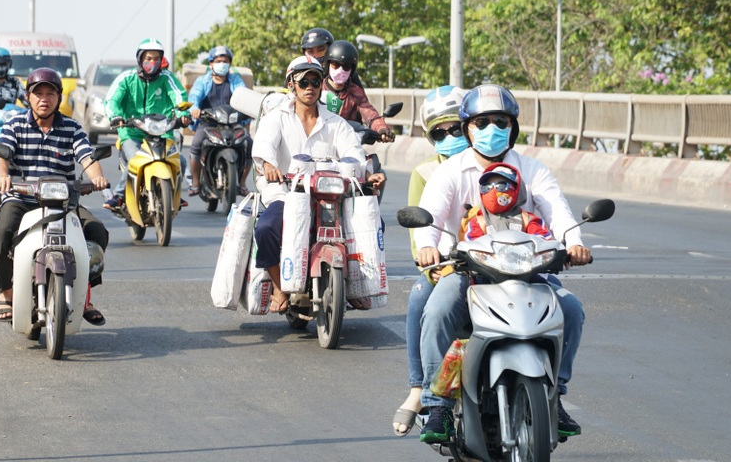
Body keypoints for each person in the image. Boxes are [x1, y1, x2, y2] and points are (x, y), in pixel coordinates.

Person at [414, 84, 591, 444]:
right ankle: (437, 406)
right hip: (467, 271)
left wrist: (574, 243)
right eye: (482, 122)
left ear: (513, 127)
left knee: (571, 310)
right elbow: (430, 214)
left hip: (529, 272)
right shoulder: (451, 172)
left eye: (500, 121)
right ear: (467, 128)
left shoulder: (533, 170)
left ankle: (555, 396)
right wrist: (428, 247)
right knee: (437, 311)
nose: (491, 129)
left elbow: (557, 210)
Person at [251, 55, 386, 313]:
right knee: (266, 229)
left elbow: (354, 154)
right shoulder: (276, 118)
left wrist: (367, 174)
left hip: (329, 195)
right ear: (291, 84)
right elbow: (264, 146)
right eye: (304, 82)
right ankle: (279, 286)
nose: (310, 87)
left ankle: (355, 283)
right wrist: (268, 165)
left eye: (315, 81)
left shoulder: (335, 122)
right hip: (286, 193)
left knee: (375, 223)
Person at [0, 67, 110, 324]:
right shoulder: (16, 125)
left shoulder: (72, 127)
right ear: (28, 97)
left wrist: (97, 178)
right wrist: (2, 176)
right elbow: (1, 159)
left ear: (59, 98)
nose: (44, 99)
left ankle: (84, 295)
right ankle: (6, 293)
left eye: (50, 94)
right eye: (38, 93)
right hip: (22, 198)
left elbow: (87, 158)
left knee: (97, 231)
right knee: (1, 234)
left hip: (63, 201)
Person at [392, 85, 467, 437]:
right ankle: (419, 389)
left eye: (457, 128)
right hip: (447, 265)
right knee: (421, 295)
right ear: (430, 137)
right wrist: (431, 258)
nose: (450, 137)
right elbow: (418, 237)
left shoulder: (498, 166)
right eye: (440, 132)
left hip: (497, 262)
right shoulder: (425, 174)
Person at [102, 37, 190, 209]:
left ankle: (173, 195)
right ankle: (119, 196)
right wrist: (116, 116)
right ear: (140, 59)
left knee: (180, 161)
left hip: (161, 132)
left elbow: (179, 96)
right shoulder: (127, 78)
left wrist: (183, 114)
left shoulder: (167, 78)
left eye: (157, 59)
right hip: (132, 132)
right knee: (136, 160)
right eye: (148, 58)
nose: (152, 62)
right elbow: (112, 100)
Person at [186, 45, 252, 197]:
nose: (222, 64)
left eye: (225, 61)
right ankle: (195, 183)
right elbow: (194, 97)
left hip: (232, 123)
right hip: (208, 123)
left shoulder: (235, 80)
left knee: (249, 143)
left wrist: (248, 108)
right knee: (196, 144)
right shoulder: (203, 81)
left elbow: (243, 95)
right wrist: (194, 109)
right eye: (218, 61)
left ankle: (242, 183)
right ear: (211, 64)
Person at [320, 40, 394, 142]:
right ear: (328, 65)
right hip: (319, 141)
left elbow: (370, 115)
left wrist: (382, 129)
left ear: (352, 69)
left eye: (346, 67)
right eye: (335, 65)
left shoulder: (356, 93)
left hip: (348, 143)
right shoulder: (317, 88)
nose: (340, 70)